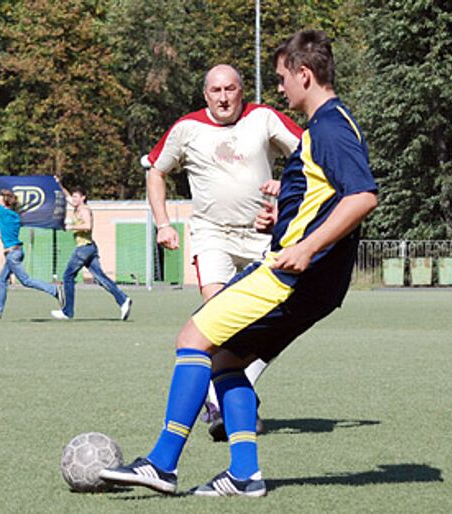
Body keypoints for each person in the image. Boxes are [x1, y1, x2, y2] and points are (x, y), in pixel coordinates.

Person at [100, 29, 378, 497]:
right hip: (313, 284)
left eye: (283, 78)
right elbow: (327, 198)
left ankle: (162, 465)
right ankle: (244, 475)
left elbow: (362, 196)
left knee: (193, 337)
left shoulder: (327, 127)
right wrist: (283, 219)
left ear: (304, 75)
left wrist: (305, 248)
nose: (281, 88)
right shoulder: (333, 124)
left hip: (289, 277)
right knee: (227, 358)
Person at [145, 63, 303, 438]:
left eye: (230, 89)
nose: (223, 97)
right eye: (216, 90)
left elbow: (309, 154)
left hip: (264, 237)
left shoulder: (263, 118)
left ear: (241, 90)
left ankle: (231, 388)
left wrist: (287, 189)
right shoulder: (186, 128)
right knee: (218, 319)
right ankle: (224, 406)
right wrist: (164, 223)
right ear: (206, 95)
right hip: (211, 234)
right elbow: (156, 170)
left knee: (271, 326)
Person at [0, 173, 64, 319]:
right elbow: (8, 234)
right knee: (2, 280)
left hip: (12, 254)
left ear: (5, 203)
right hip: (14, 251)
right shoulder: (14, 216)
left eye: (0, 199)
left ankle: (54, 290)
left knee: (26, 281)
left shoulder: (5, 213)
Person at [50, 179, 132, 321]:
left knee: (68, 276)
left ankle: (67, 312)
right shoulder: (77, 207)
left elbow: (88, 226)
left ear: (83, 198)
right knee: (100, 278)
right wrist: (59, 184)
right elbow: (67, 196)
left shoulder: (84, 210)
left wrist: (69, 227)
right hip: (90, 248)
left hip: (83, 249)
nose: (73, 199)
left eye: (76, 197)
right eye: (73, 197)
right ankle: (123, 300)